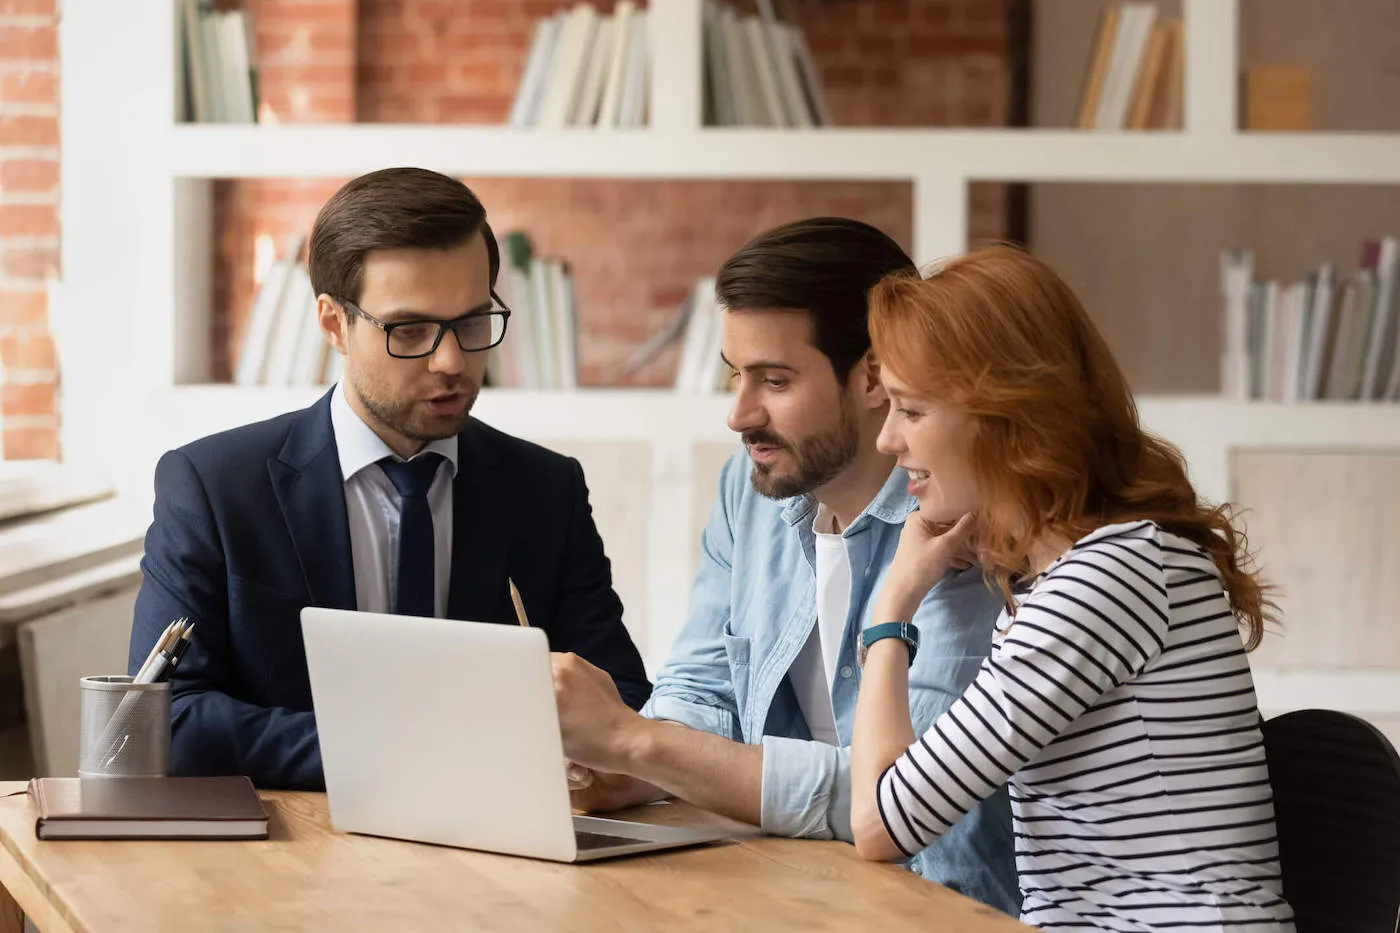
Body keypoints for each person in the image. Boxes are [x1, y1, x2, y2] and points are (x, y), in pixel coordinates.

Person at [550, 218, 1020, 914]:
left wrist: (641, 744)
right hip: (789, 884)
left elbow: (908, 796)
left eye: (774, 379)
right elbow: (701, 687)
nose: (740, 414)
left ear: (871, 376)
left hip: (947, 904)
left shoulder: (959, 516)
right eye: (735, 375)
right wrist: (622, 770)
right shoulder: (753, 491)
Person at [129, 167, 651, 789]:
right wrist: (406, 755)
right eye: (410, 330)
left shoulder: (547, 490)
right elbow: (167, 717)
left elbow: (621, 701)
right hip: (286, 859)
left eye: (473, 322)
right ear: (332, 324)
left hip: (501, 854)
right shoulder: (212, 487)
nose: (452, 361)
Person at [849, 244, 1295, 930]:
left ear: (1003, 414)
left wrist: (894, 605)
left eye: (911, 410)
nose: (887, 441)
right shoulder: (1090, 572)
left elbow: (882, 823)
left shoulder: (1107, 579)